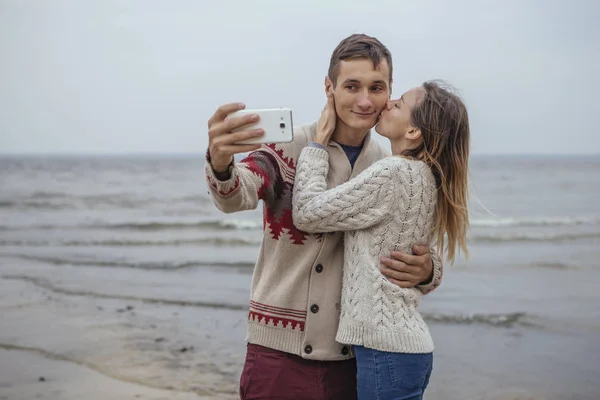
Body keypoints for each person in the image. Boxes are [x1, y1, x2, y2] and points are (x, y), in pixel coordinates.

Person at [204, 34, 443, 400]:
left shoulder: (391, 165)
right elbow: (239, 194)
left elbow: (420, 244)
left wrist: (428, 271)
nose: (365, 100)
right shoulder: (289, 147)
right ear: (329, 87)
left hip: (354, 360)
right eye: (351, 86)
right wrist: (221, 164)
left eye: (376, 87)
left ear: (389, 91)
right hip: (277, 355)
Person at [292, 80, 470, 399]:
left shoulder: (395, 173)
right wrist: (430, 272)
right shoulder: (424, 176)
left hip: (386, 349)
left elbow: (307, 212)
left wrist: (317, 145)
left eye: (399, 103)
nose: (388, 104)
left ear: (413, 131)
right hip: (403, 349)